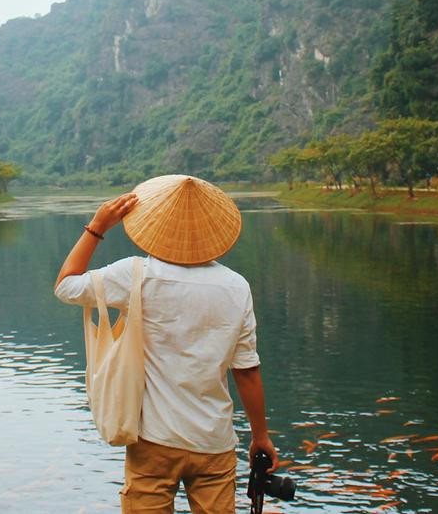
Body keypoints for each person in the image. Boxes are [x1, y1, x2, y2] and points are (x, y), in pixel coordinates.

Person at [54, 174, 277, 514]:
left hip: (153, 442)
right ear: (214, 232)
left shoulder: (136, 275)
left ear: (154, 225)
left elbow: (66, 287)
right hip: (213, 442)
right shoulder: (236, 286)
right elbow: (246, 370)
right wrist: (260, 437)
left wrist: (97, 227)